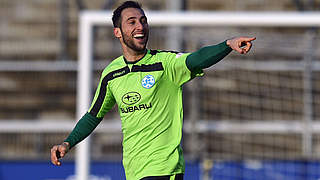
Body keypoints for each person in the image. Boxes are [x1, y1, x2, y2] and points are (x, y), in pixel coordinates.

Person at [50, 1, 256, 179]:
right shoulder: (112, 74)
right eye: (132, 22)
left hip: (164, 167)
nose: (140, 26)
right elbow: (93, 115)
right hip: (134, 170)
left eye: (143, 20)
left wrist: (227, 44)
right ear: (118, 32)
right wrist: (67, 143)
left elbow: (197, 58)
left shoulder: (165, 63)